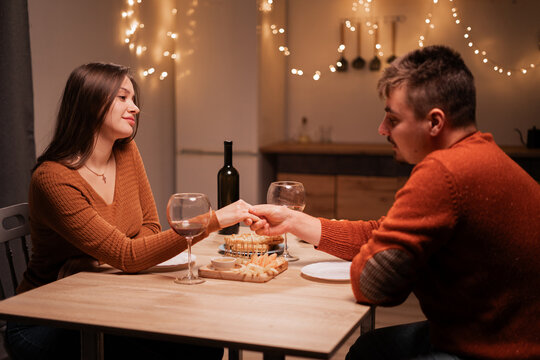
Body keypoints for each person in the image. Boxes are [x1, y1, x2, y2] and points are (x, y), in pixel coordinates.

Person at [249, 45, 540, 359]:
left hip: (494, 351)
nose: (382, 129)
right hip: (497, 334)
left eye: (393, 119)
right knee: (368, 349)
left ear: (435, 122)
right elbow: (385, 234)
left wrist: (382, 255)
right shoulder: (481, 154)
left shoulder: (443, 171)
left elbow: (374, 285)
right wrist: (294, 222)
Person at [6, 62, 256, 359]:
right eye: (123, 98)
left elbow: (149, 228)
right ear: (91, 103)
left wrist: (101, 262)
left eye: (134, 99)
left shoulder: (126, 151)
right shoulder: (53, 179)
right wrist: (213, 220)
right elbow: (128, 255)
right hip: (45, 320)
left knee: (205, 345)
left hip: (101, 301)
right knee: (176, 350)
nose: (135, 108)